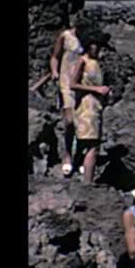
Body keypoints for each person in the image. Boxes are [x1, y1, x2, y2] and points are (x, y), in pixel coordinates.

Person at [70, 38, 110, 183]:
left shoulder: (96, 62)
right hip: (86, 106)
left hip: (96, 106)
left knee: (91, 144)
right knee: (92, 145)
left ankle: (84, 178)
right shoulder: (83, 61)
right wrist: (96, 89)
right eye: (95, 45)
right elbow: (72, 84)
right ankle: (88, 182)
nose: (97, 48)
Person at [50, 20, 84, 176]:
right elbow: (55, 56)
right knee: (70, 121)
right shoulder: (66, 36)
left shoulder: (89, 38)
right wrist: (55, 71)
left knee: (82, 122)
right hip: (66, 82)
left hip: (83, 84)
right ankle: (67, 155)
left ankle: (80, 156)